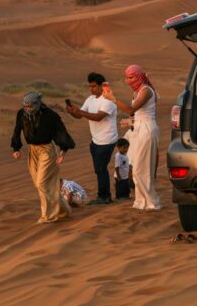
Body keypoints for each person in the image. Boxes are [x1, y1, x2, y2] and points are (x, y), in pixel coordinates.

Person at [11, 91, 76, 224]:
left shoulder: (50, 115)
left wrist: (63, 151)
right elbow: (17, 130)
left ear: (37, 104)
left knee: (42, 182)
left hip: (47, 150)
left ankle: (48, 216)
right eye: (25, 106)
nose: (27, 109)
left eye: (30, 106)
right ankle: (64, 210)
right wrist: (16, 148)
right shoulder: (21, 114)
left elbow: (61, 132)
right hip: (33, 150)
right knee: (41, 184)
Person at [111, 65, 162, 211]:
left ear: (139, 76)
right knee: (138, 167)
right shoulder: (137, 91)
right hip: (139, 129)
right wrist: (130, 122)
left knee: (141, 168)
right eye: (127, 77)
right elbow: (138, 115)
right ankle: (142, 202)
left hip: (147, 130)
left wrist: (113, 99)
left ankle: (152, 202)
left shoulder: (145, 90)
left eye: (131, 77)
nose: (128, 80)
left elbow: (131, 110)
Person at [65, 72, 119, 205]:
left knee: (101, 168)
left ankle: (104, 196)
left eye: (94, 86)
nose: (91, 89)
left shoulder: (108, 100)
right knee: (99, 169)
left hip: (107, 140)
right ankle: (104, 195)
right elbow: (80, 115)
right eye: (89, 86)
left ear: (101, 86)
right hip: (95, 140)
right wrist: (73, 113)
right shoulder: (90, 99)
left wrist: (80, 112)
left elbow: (98, 117)